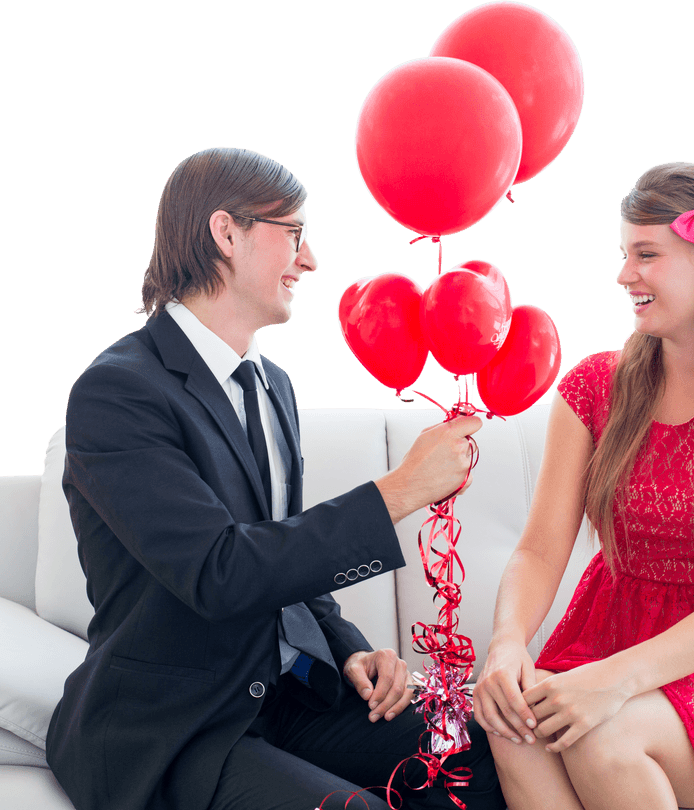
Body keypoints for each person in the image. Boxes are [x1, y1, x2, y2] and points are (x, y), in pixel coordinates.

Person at [45, 146, 504, 810]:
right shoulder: (117, 394)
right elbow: (221, 571)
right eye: (293, 233)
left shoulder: (273, 385)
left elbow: (282, 556)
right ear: (226, 233)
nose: (309, 260)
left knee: (479, 751)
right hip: (182, 726)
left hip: (288, 697)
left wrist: (348, 651)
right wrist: (401, 489)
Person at [472, 162, 694, 810]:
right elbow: (539, 550)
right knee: (513, 726)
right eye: (623, 254)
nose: (624, 275)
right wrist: (506, 643)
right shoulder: (592, 388)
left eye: (646, 255)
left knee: (601, 738)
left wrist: (612, 683)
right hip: (610, 638)